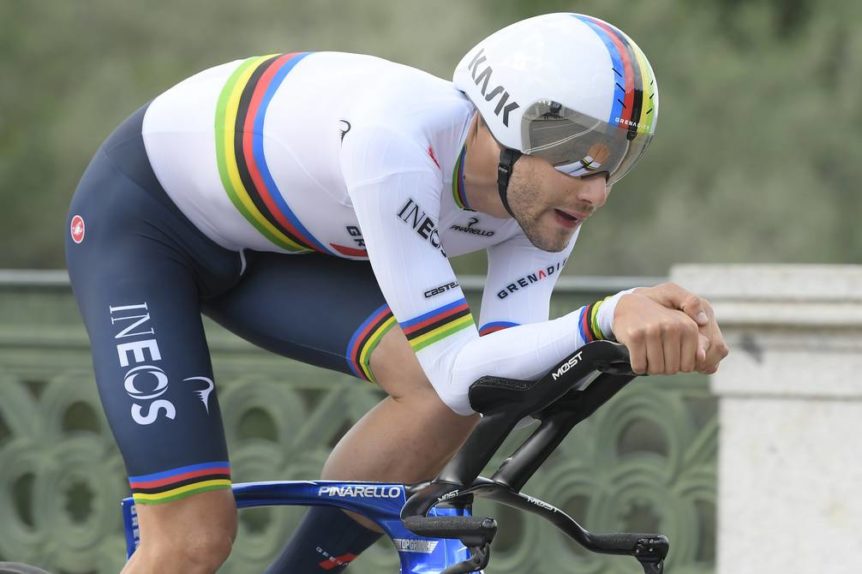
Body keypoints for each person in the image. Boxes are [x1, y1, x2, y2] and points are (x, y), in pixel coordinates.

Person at [64, 12, 728, 574]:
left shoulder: (543, 205)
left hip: (269, 247)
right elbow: (461, 367)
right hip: (145, 226)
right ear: (510, 121)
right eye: (583, 155)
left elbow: (498, 371)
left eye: (619, 160)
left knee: (447, 400)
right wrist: (608, 315)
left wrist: (625, 335)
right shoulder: (397, 142)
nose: (596, 192)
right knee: (192, 541)